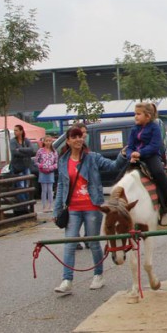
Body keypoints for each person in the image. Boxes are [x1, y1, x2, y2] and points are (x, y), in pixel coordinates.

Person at [53, 125, 128, 294]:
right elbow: (61, 185)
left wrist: (122, 156)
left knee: (93, 243)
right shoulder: (63, 160)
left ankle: (98, 275)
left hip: (92, 207)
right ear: (68, 141)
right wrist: (57, 210)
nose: (79, 139)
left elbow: (113, 166)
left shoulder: (92, 157)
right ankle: (67, 280)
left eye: (81, 136)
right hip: (72, 208)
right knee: (69, 243)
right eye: (75, 137)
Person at [125, 102, 167, 215]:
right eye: (135, 113)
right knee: (122, 174)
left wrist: (140, 153)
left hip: (151, 156)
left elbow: (155, 146)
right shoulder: (134, 129)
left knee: (159, 172)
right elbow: (129, 146)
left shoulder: (155, 128)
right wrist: (131, 155)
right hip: (136, 157)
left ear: (148, 116)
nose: (135, 116)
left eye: (138, 114)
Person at [10, 124, 36, 202]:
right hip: (17, 167)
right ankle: (25, 203)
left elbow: (32, 150)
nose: (15, 132)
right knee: (20, 186)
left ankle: (26, 202)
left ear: (21, 131)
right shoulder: (13, 141)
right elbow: (14, 152)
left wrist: (20, 149)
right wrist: (26, 152)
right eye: (14, 130)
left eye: (16, 130)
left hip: (26, 166)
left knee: (27, 186)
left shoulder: (26, 140)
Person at [34, 135, 57, 212]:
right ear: (44, 142)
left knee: (50, 189)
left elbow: (56, 162)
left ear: (51, 142)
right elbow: (36, 161)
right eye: (46, 141)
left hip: (50, 172)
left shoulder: (54, 151)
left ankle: (50, 206)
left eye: (49, 141)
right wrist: (41, 166)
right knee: (44, 190)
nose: (48, 142)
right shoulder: (40, 151)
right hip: (42, 172)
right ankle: (44, 206)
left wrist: (52, 167)